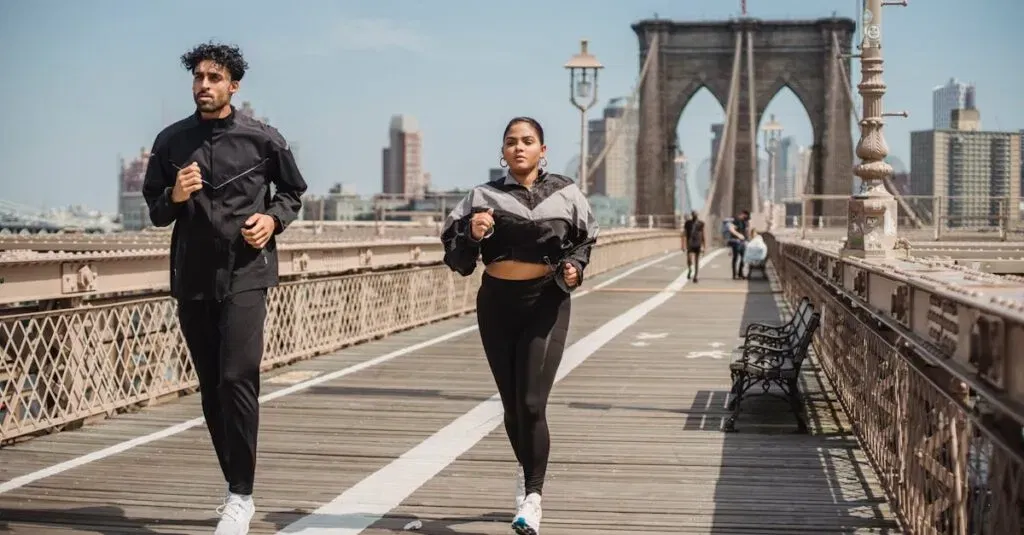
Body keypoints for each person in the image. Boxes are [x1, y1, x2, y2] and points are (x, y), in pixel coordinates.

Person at [142, 42, 307, 535]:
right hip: (192, 277)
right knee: (213, 388)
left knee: (237, 377)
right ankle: (235, 485)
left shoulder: (263, 140)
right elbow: (155, 211)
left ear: (234, 85)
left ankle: (241, 496)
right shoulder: (171, 142)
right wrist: (175, 193)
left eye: (215, 78)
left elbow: (293, 193)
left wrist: (271, 220)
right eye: (199, 77)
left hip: (246, 274)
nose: (204, 85)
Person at [440, 116, 598, 535]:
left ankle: (532, 496)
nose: (519, 148)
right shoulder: (482, 196)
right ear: (503, 151)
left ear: (543, 149)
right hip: (496, 304)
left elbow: (585, 242)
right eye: (511, 142)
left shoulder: (566, 191)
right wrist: (473, 235)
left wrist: (574, 270)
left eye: (528, 141)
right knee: (511, 405)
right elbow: (457, 261)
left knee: (531, 402)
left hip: (546, 302)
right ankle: (528, 469)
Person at [726, 210, 750, 279]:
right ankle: (734, 274)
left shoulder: (745, 222)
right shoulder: (736, 220)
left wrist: (747, 239)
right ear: (743, 214)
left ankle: (740, 273)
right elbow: (731, 229)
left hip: (742, 242)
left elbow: (746, 231)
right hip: (736, 242)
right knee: (735, 258)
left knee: (743, 258)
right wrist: (739, 235)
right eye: (745, 216)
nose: (746, 218)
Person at [682, 210, 705, 283]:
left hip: (698, 243)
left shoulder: (701, 223)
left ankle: (696, 275)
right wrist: (683, 245)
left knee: (697, 261)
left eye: (696, 214)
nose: (695, 216)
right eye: (693, 214)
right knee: (689, 259)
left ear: (697, 215)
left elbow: (703, 234)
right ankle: (690, 269)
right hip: (690, 243)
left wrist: (704, 246)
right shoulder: (688, 223)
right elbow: (684, 234)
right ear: (692, 215)